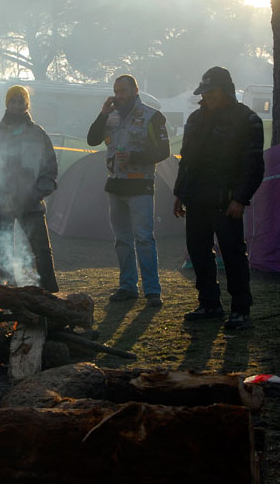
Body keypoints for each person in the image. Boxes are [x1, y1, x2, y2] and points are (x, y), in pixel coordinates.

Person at [173, 66, 264, 330]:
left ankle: (241, 309)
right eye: (205, 92)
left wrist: (240, 199)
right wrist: (180, 192)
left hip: (226, 200)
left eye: (211, 91)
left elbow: (253, 166)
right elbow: (186, 159)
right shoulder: (195, 119)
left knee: (233, 255)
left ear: (225, 90)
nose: (207, 96)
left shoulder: (247, 120)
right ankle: (209, 303)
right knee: (198, 252)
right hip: (196, 197)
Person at [87, 74, 170, 307]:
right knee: (122, 240)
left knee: (143, 238)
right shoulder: (110, 116)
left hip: (140, 185)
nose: (119, 96)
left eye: (123, 91)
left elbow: (164, 151)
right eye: (116, 91)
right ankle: (127, 286)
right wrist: (102, 113)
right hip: (115, 185)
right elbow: (92, 140)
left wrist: (134, 157)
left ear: (135, 90)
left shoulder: (153, 116)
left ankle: (152, 291)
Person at [0, 85, 59, 292]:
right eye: (13, 101)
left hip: (31, 203)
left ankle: (49, 293)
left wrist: (35, 194)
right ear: (7, 104)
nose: (17, 106)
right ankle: (8, 293)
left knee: (42, 251)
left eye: (21, 102)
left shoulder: (38, 134)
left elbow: (50, 169)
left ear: (27, 105)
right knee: (4, 252)